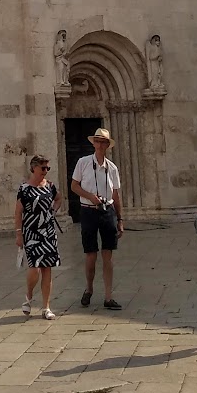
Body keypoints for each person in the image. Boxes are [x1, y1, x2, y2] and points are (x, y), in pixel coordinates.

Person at [70, 127, 123, 310]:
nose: (100, 144)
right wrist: (90, 196)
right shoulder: (83, 163)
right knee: (90, 255)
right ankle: (89, 289)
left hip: (107, 211)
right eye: (97, 141)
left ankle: (108, 297)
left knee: (108, 254)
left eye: (103, 142)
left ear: (108, 145)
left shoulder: (112, 168)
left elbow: (116, 194)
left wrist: (120, 219)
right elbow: (74, 186)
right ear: (94, 143)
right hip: (88, 210)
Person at [14, 154, 62, 320]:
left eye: (48, 168)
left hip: (48, 232)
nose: (45, 171)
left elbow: (58, 198)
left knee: (47, 268)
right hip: (31, 232)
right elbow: (18, 212)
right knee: (34, 268)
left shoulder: (50, 186)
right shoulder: (24, 189)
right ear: (33, 168)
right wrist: (18, 233)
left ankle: (46, 307)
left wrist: (53, 211)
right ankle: (28, 294)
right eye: (43, 168)